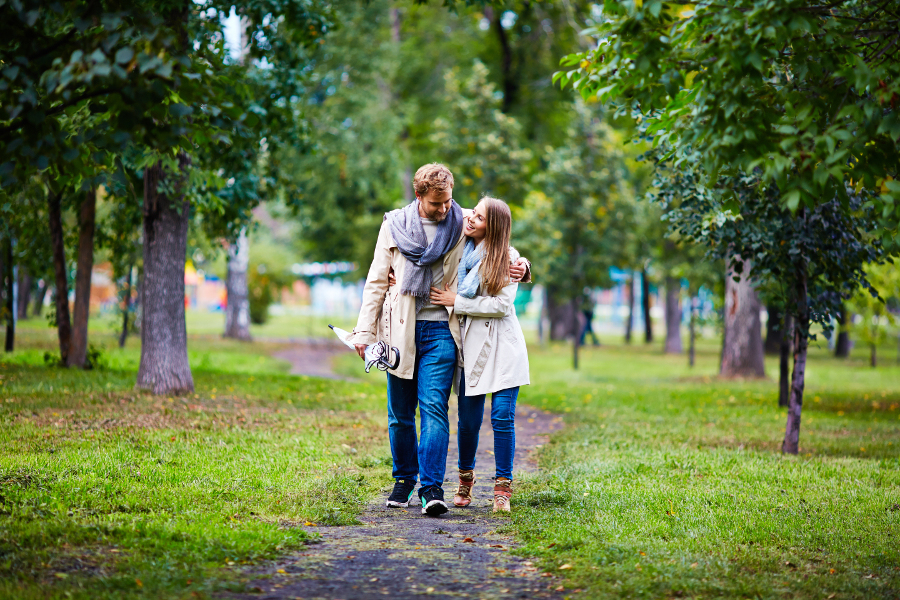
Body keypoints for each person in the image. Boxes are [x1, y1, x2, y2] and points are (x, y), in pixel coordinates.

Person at [346, 164, 529, 517]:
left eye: (448, 202)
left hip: (442, 330)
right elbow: (376, 282)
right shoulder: (394, 225)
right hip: (399, 330)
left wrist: (522, 264)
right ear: (419, 197)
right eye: (436, 205)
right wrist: (364, 332)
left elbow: (497, 243)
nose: (445, 210)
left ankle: (431, 487)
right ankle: (404, 480)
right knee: (400, 413)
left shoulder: (460, 221)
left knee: (433, 408)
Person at [429, 197, 530, 513]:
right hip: (470, 347)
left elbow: (501, 306)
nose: (471, 218)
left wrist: (457, 301)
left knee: (502, 416)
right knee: (469, 422)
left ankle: (503, 487)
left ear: (494, 227)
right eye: (473, 211)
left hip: (504, 348)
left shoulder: (508, 258)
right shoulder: (459, 249)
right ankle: (465, 478)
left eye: (481, 217)